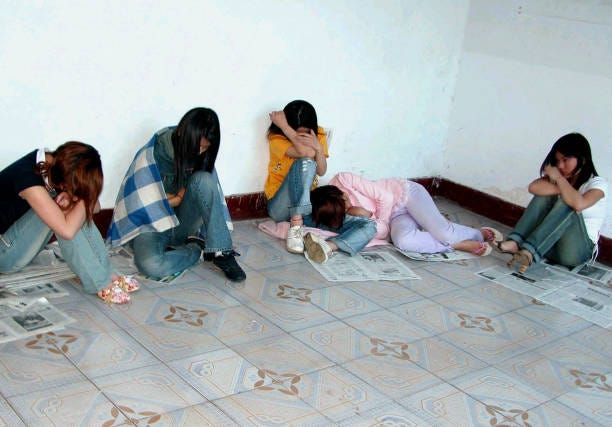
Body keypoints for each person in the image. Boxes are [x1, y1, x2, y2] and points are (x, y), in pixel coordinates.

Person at [108, 107, 246, 282]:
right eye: (198, 146)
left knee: (204, 179)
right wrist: (178, 199)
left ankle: (221, 251)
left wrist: (174, 198)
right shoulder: (153, 154)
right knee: (150, 265)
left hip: (181, 224)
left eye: (205, 148)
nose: (200, 152)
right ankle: (196, 250)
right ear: (181, 133)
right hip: (150, 225)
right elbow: (143, 203)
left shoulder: (201, 155)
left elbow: (203, 193)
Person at [0, 142, 138, 304]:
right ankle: (98, 282)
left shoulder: (56, 167)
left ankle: (108, 272)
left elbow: (96, 208)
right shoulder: (29, 180)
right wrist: (77, 199)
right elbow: (67, 231)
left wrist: (75, 198)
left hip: (18, 244)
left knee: (70, 208)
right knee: (64, 212)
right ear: (64, 183)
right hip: (4, 254)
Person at [264, 100, 377, 262]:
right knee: (306, 162)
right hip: (281, 208)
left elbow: (321, 170)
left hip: (307, 210)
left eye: (304, 135)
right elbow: (305, 153)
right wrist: (285, 128)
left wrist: (318, 147)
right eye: (296, 134)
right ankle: (295, 227)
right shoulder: (277, 138)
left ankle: (327, 247)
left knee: (369, 225)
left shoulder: (318, 134)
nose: (300, 138)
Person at [310, 172, 503, 257]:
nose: (348, 204)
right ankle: (455, 245)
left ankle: (479, 234)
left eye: (344, 200)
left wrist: (378, 219)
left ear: (337, 192)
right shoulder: (342, 215)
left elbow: (385, 197)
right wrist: (366, 218)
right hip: (396, 217)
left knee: (444, 232)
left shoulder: (343, 179)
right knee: (404, 242)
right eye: (343, 209)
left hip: (405, 194)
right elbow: (382, 233)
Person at [495, 133, 607, 272]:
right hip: (550, 246)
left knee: (569, 202)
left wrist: (559, 179)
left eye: (565, 160)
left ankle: (529, 251)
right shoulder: (559, 179)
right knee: (546, 194)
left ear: (582, 160)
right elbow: (533, 188)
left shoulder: (597, 183)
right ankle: (515, 241)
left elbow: (579, 204)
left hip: (575, 252)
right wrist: (560, 185)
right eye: (558, 160)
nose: (560, 165)